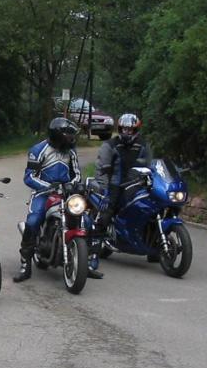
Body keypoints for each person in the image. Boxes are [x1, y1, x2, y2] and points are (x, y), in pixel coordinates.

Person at [13, 118, 88, 282]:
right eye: (69, 135)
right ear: (59, 135)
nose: (72, 138)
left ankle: (86, 262)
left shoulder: (71, 151)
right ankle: (25, 264)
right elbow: (29, 177)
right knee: (33, 221)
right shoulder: (38, 150)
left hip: (66, 193)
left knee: (86, 220)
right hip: (43, 192)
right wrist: (48, 186)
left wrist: (72, 185)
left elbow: (77, 174)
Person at [91, 113, 152, 253]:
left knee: (149, 208)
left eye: (130, 130)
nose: (127, 132)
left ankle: (153, 244)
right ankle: (95, 242)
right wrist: (104, 188)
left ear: (135, 130)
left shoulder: (143, 145)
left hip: (138, 185)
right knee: (108, 210)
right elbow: (101, 168)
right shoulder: (110, 145)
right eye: (124, 129)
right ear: (120, 129)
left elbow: (151, 165)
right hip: (116, 185)